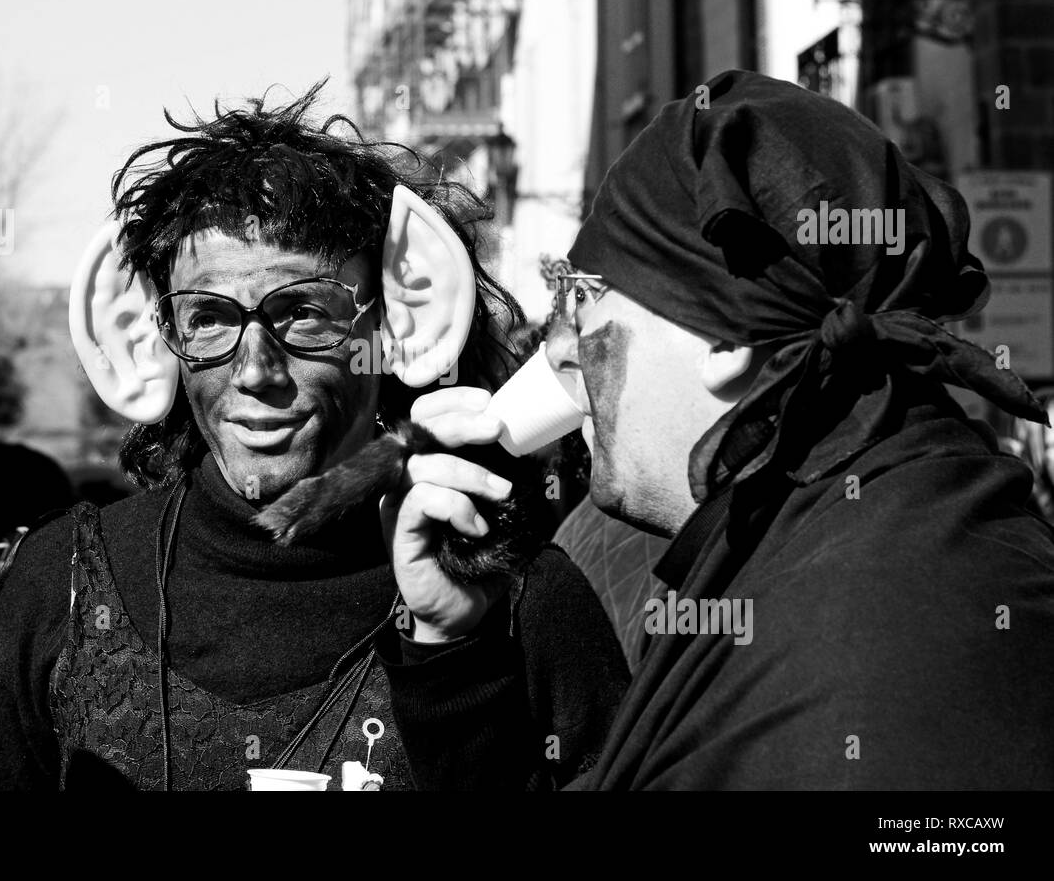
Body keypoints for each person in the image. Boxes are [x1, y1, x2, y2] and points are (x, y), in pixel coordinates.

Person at [379, 69, 1054, 789]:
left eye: (585, 296)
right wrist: (458, 658)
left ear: (723, 338)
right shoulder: (831, 530)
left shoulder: (870, 641)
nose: (565, 347)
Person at [0, 82, 625, 791]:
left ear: (398, 322)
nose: (256, 369)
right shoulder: (62, 588)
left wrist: (450, 663)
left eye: (302, 312)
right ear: (155, 338)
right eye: (208, 316)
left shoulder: (517, 598)